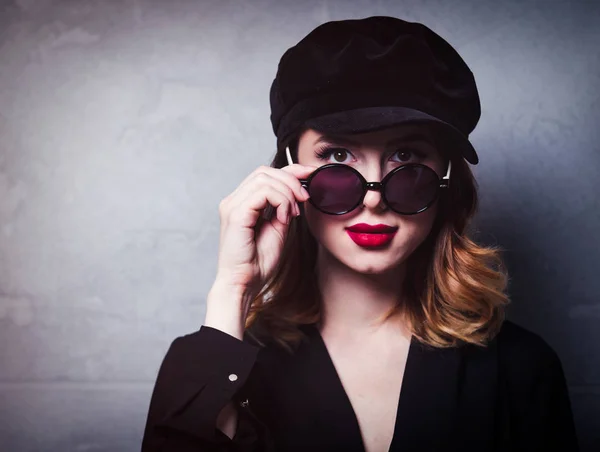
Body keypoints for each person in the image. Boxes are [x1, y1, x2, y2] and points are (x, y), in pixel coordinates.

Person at [140, 16, 579, 452]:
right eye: (337, 154)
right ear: (290, 172)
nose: (374, 199)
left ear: (446, 182)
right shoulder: (219, 363)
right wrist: (233, 290)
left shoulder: (521, 367)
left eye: (405, 155)